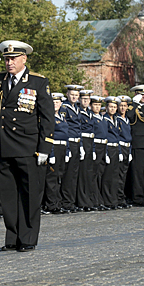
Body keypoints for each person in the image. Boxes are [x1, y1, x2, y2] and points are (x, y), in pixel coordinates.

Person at [0, 40, 54, 252]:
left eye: (13, 59)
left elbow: (48, 117)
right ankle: (12, 237)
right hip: (4, 146)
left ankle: (27, 238)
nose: (9, 63)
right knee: (8, 195)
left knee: (30, 194)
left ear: (24, 59)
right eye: (6, 59)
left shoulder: (38, 82)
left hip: (28, 146)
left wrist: (45, 147)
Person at [126, 85, 144, 207]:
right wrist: (134, 103)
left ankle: (143, 195)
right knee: (138, 173)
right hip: (139, 144)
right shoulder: (133, 107)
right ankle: (138, 197)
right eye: (141, 94)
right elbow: (129, 116)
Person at [44, 92, 69, 214]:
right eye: (53, 102)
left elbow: (66, 135)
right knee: (51, 178)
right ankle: (51, 204)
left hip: (62, 148)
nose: (55, 104)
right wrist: (51, 153)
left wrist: (68, 150)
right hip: (54, 147)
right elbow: (48, 135)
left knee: (59, 176)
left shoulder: (61, 117)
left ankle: (58, 203)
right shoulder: (49, 117)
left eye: (57, 102)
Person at [60, 84, 83, 213]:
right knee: (67, 174)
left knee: (74, 174)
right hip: (68, 142)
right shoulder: (65, 108)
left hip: (76, 143)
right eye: (72, 95)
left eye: (76, 95)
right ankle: (66, 202)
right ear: (67, 95)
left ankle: (71, 201)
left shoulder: (77, 108)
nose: (74, 97)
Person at [102, 96, 122, 209]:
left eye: (115, 107)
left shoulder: (116, 119)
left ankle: (114, 200)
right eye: (111, 107)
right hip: (108, 147)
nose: (113, 109)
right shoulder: (104, 119)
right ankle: (107, 200)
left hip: (115, 148)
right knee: (107, 176)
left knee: (115, 175)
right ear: (106, 107)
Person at [116, 95, 132, 208]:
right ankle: (118, 198)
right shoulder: (116, 119)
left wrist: (129, 151)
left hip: (127, 147)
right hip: (120, 147)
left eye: (124, 106)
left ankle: (122, 197)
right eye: (120, 106)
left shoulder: (127, 120)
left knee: (124, 175)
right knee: (118, 175)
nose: (122, 108)